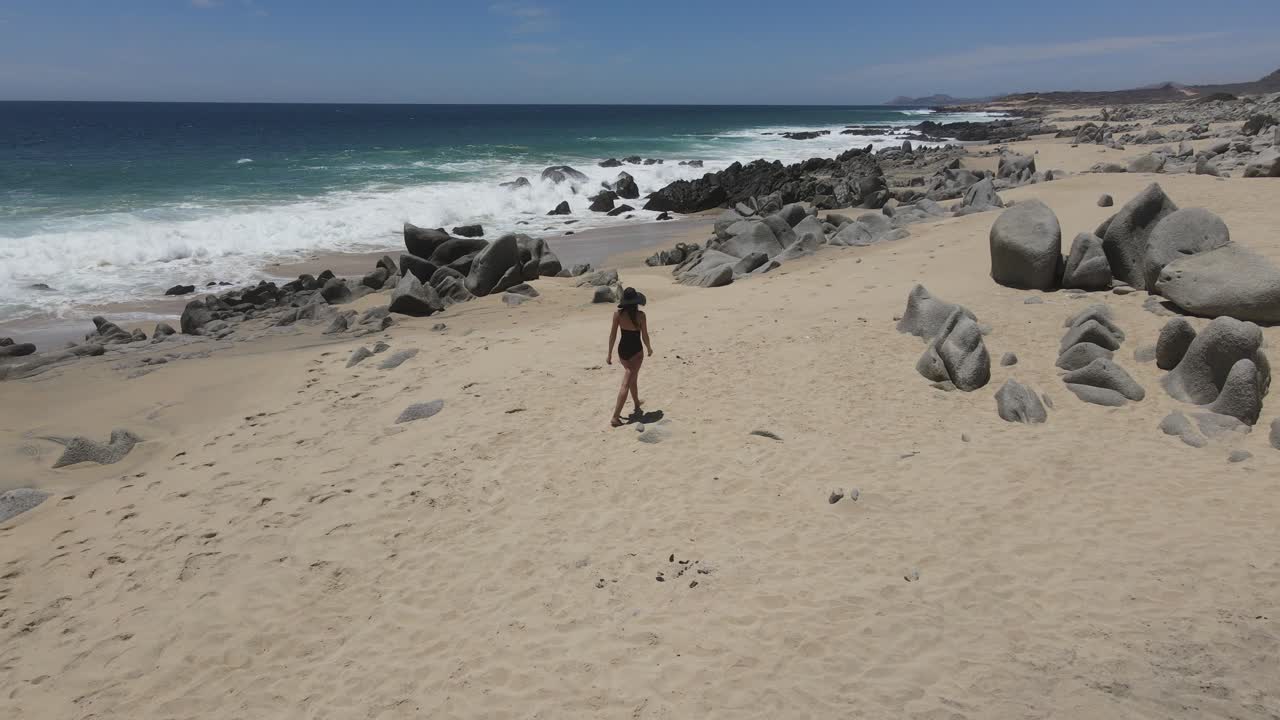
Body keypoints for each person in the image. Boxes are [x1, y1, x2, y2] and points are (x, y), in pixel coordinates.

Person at [606, 287, 652, 427]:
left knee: (633, 378)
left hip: (623, 352)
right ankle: (615, 417)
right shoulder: (641, 316)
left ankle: (637, 403)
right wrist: (649, 348)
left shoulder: (618, 315)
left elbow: (613, 335)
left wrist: (609, 353)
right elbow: (644, 335)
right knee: (627, 382)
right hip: (636, 352)